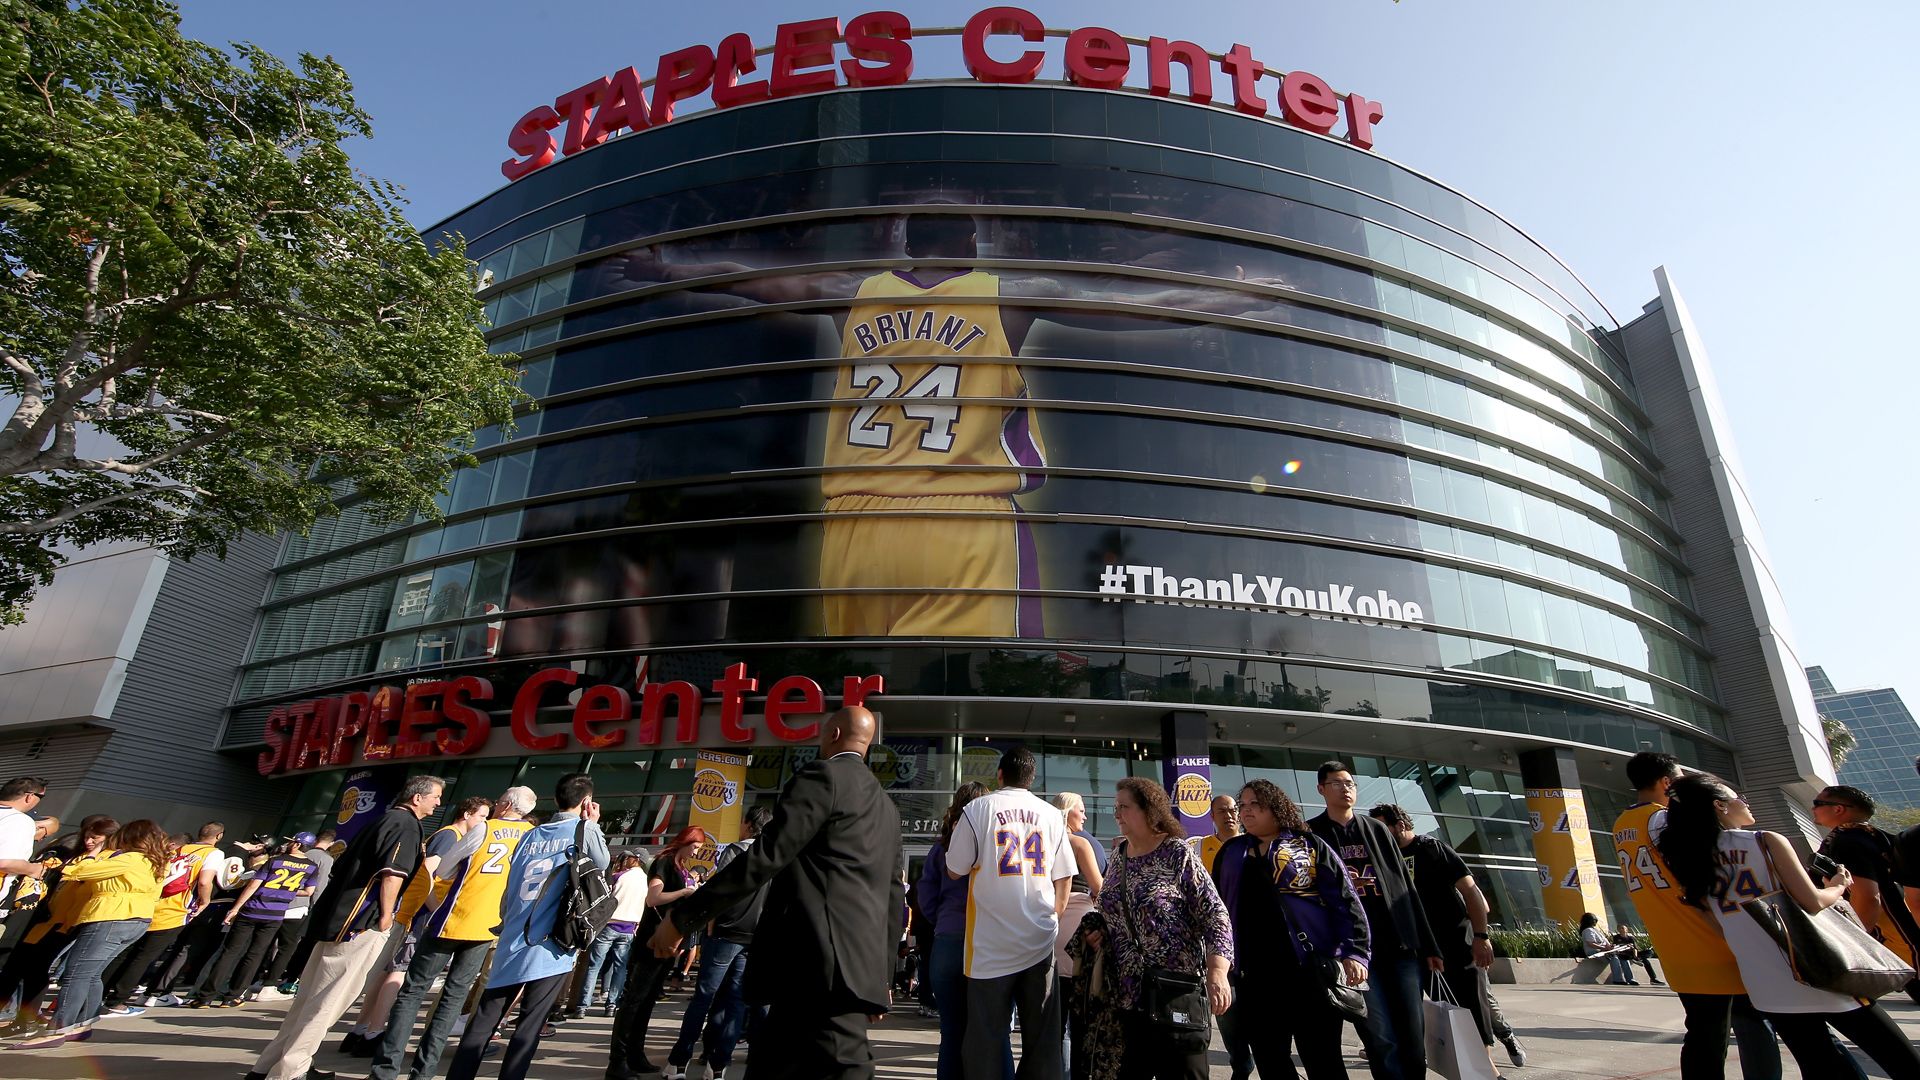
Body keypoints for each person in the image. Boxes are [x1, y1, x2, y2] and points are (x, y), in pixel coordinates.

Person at [647, 706, 905, 1080]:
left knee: (847, 1062)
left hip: (817, 960)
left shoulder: (823, 776)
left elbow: (764, 857)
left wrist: (684, 918)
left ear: (833, 734)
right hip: (844, 965)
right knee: (772, 1060)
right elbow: (893, 895)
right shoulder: (887, 807)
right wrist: (881, 978)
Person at [1657, 773, 1920, 1076]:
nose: (1745, 802)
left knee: (1820, 1065)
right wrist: (1838, 884)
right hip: (1816, 966)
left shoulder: (1685, 858)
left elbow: (1717, 926)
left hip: (1765, 981)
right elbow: (1812, 902)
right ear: (1720, 805)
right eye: (1738, 797)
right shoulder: (1764, 841)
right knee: (1901, 1060)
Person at [243, 774, 441, 1080]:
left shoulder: (382, 820)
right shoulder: (405, 824)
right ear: (417, 798)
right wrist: (386, 916)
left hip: (337, 919)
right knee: (327, 1004)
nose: (438, 803)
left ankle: (268, 1066)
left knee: (308, 1001)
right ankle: (290, 1072)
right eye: (435, 797)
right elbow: (393, 873)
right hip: (358, 924)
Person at [1613, 751, 1781, 1080]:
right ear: (1666, 782)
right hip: (1712, 939)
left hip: (1676, 945)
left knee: (1705, 1035)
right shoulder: (1662, 820)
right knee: (1751, 1025)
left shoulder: (1622, 824)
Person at [443, 772, 608, 1080]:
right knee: (529, 1025)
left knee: (484, 1019)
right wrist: (593, 824)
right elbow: (601, 865)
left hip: (513, 937)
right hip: (551, 943)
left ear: (555, 799)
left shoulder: (531, 834)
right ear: (587, 801)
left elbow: (510, 886)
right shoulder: (583, 830)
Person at [366, 786, 535, 1080]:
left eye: (498, 802)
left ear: (506, 805)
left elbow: (444, 869)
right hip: (489, 925)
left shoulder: (485, 828)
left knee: (413, 992)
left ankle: (386, 1069)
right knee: (454, 997)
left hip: (453, 919)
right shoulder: (531, 836)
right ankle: (424, 1071)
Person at [1080, 776, 1232, 1080]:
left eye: (1124, 807)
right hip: (1128, 995)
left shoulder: (1177, 853)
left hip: (1175, 992)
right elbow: (1113, 910)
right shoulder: (1119, 856)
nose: (1117, 814)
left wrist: (1218, 971)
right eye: (1116, 807)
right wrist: (1100, 932)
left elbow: (1215, 915)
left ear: (1149, 810)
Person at [1215, 780, 1367, 1080]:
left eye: (1255, 804)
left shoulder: (1308, 845)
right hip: (1254, 977)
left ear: (1275, 807)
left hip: (1308, 971)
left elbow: (1345, 901)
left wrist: (1356, 952)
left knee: (1324, 1061)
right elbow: (1215, 909)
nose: (1246, 811)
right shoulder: (1232, 851)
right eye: (1242, 805)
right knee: (1270, 1062)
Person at [945, 745, 1072, 1080]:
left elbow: (955, 869)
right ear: (1032, 778)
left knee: (985, 1040)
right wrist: (1055, 916)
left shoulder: (977, 809)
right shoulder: (1051, 815)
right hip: (1039, 940)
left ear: (999, 775)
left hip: (990, 945)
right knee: (1043, 1042)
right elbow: (1065, 875)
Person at [1307, 762, 1441, 1080]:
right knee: (1379, 1034)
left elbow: (1406, 889)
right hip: (1354, 953)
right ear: (1321, 789)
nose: (1345, 788)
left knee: (1412, 1030)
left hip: (1398, 945)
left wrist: (1429, 945)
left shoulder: (1377, 830)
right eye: (1337, 783)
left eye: (1349, 783)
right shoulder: (1312, 834)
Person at [1368, 803, 1525, 1069]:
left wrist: (1481, 936)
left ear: (1400, 825)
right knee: (1441, 1011)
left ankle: (1487, 1068)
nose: (1378, 835)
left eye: (1382, 828)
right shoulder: (1384, 859)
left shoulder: (1431, 848)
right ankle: (1472, 1068)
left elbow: (1471, 891)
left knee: (1473, 1008)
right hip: (1419, 949)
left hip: (1456, 943)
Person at [344, 795, 492, 1056]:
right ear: (467, 814)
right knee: (399, 973)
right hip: (417, 915)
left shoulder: (450, 836)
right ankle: (374, 1033)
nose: (485, 822)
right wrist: (437, 909)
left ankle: (362, 1029)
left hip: (413, 913)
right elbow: (428, 874)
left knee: (389, 972)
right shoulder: (450, 837)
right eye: (482, 816)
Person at [15, 818, 169, 1047]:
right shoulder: (156, 863)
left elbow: (77, 870)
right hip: (138, 919)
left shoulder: (130, 859)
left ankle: (58, 1029)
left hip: (110, 916)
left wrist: (94, 852)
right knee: (92, 974)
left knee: (76, 973)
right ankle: (83, 1023)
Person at [665, 805, 777, 1080]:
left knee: (704, 997)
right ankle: (718, 1066)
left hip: (725, 933)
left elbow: (718, 891)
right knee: (736, 1002)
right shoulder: (774, 857)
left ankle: (679, 1062)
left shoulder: (735, 851)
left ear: (749, 824)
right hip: (752, 937)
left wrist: (707, 923)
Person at [0, 814, 118, 1038]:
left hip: (66, 922)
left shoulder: (110, 860)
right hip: (46, 917)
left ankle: (30, 1020)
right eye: (87, 836)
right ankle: (25, 1020)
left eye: (95, 838)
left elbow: (80, 874)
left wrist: (92, 855)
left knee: (37, 967)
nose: (89, 841)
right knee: (21, 965)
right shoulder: (76, 852)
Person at [604, 824, 709, 1074]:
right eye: (694, 846)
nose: (696, 852)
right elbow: (653, 898)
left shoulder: (680, 867)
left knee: (647, 1000)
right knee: (635, 1000)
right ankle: (618, 1060)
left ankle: (635, 1054)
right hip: (652, 940)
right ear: (685, 842)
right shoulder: (665, 863)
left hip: (668, 941)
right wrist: (683, 892)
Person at [919, 782, 1003, 1080]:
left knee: (951, 1030)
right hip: (984, 940)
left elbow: (925, 894)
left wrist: (942, 920)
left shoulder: (940, 848)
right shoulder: (993, 846)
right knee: (988, 1030)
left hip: (948, 938)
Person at [1811, 784, 1920, 1003]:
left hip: (1898, 942)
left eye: (1817, 803)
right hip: (1905, 937)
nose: (1813, 808)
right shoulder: (1875, 835)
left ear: (1839, 809)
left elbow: (1868, 896)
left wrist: (1858, 941)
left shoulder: (1847, 841)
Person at [102, 820, 223, 1010]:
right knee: (145, 956)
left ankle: (98, 993)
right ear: (219, 836)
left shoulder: (178, 848)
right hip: (174, 910)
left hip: (149, 905)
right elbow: (204, 881)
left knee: (125, 952)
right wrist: (205, 901)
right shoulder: (213, 853)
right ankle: (117, 1000)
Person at [192, 833, 319, 1008]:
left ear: (297, 844)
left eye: (292, 842)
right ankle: (233, 997)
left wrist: (236, 908)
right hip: (275, 914)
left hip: (252, 910)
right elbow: (309, 892)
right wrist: (285, 890)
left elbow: (253, 885)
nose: (289, 845)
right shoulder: (311, 867)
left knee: (230, 952)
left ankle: (205, 997)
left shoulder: (275, 861)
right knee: (254, 955)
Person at [1053, 791, 1105, 1080]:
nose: (1084, 816)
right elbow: (1100, 889)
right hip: (1078, 931)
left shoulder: (1043, 842)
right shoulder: (1079, 843)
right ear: (1067, 812)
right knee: (1081, 1020)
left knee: (1055, 1022)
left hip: (1048, 927)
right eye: (1081, 810)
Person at [266, 825, 337, 996]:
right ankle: (272, 984)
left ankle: (256, 979)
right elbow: (319, 887)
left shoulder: (295, 854)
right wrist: (317, 908)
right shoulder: (325, 859)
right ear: (331, 843)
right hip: (299, 906)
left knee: (266, 944)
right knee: (288, 947)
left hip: (273, 903)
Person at [574, 851, 644, 1017]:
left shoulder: (619, 876)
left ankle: (582, 1006)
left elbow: (605, 897)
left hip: (610, 924)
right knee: (621, 968)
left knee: (594, 966)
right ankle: (612, 1004)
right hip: (629, 927)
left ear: (634, 859)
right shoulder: (646, 880)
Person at [0, 778, 50, 962]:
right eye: (41, 798)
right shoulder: (18, 821)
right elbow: (5, 862)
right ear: (29, 797)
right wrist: (33, 869)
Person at [1578, 912, 1636, 985]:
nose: (1595, 922)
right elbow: (1591, 943)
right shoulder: (1588, 930)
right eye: (1594, 920)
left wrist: (1612, 946)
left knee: (1624, 958)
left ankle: (1630, 979)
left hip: (1605, 951)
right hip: (1595, 952)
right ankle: (1618, 980)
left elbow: (1605, 943)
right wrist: (1604, 948)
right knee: (1614, 958)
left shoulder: (1595, 930)